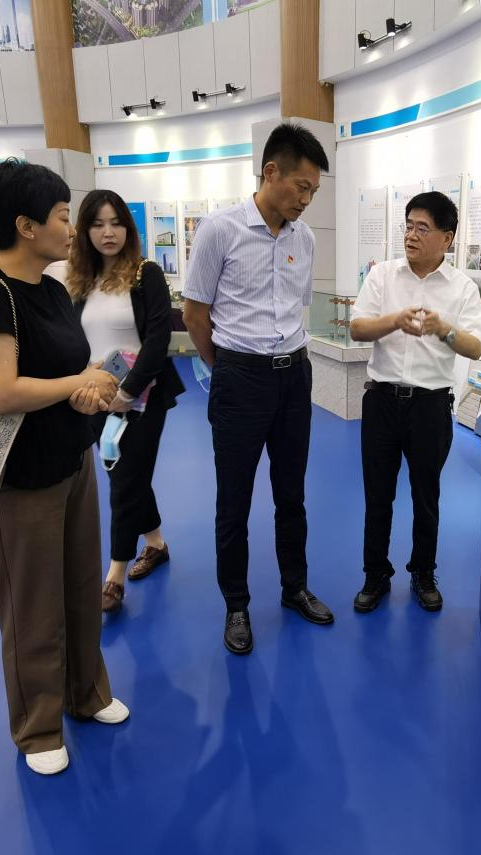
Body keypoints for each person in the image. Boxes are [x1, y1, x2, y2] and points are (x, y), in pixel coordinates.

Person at [0, 159, 129, 776]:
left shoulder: (52, 291)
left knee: (81, 586)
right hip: (18, 476)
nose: (71, 228)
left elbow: (61, 373)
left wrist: (89, 387)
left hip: (72, 459)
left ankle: (87, 693)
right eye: (61, 216)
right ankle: (38, 727)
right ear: (25, 226)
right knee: (32, 603)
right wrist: (77, 382)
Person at [182, 122, 333, 655]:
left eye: (314, 190)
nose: (307, 200)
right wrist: (226, 367)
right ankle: (237, 604)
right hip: (239, 377)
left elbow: (294, 307)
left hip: (294, 376)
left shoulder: (304, 238)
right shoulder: (219, 230)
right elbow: (194, 314)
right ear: (271, 172)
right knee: (235, 499)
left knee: (292, 493)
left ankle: (295, 587)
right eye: (302, 187)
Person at [348, 191, 481, 612]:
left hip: (430, 406)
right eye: (408, 226)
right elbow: (357, 329)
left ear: (447, 238)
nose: (411, 235)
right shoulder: (383, 276)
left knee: (426, 497)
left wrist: (444, 329)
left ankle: (423, 573)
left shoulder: (462, 288)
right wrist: (394, 320)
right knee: (378, 496)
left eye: (422, 228)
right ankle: (375, 575)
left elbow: (475, 347)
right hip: (382, 401)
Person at [68, 189, 187, 614]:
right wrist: (87, 382)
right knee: (128, 475)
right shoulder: (82, 281)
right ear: (85, 231)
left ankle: (115, 574)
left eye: (116, 223)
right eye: (98, 224)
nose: (108, 232)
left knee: (124, 481)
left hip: (143, 397)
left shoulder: (144, 274)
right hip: (96, 398)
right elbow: (76, 340)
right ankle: (155, 543)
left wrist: (127, 392)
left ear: (128, 229)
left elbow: (157, 339)